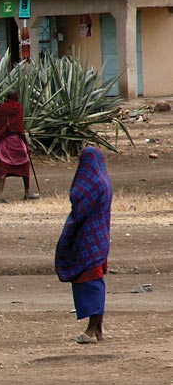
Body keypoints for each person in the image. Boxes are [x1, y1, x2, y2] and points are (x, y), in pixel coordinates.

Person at [55, 146, 112, 344]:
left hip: (87, 238)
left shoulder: (92, 184)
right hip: (100, 238)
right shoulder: (104, 181)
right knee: (96, 281)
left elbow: (79, 204)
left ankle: (90, 331)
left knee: (90, 282)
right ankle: (98, 331)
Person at [0, 91, 39, 203]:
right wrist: (25, 143)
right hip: (16, 141)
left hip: (4, 140)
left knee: (3, 167)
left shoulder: (1, 108)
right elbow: (19, 127)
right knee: (24, 164)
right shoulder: (17, 107)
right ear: (16, 97)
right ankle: (27, 193)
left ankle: (0, 195)